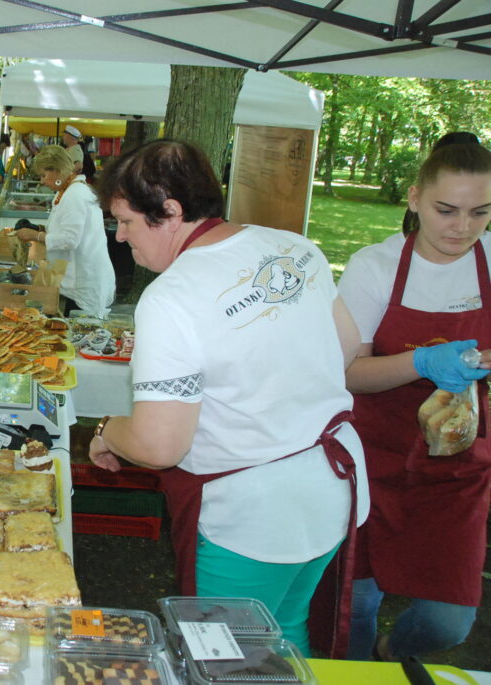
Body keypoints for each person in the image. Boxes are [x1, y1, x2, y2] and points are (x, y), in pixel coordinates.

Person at [87, 139, 368, 655]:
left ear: (170, 212)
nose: (121, 236)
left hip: (254, 515)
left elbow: (159, 445)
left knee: (225, 655)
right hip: (330, 486)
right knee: (286, 632)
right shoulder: (292, 247)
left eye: (125, 221)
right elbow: (345, 347)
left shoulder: (172, 296)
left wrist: (107, 430)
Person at [339, 141, 491, 661]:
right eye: (446, 210)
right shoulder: (375, 267)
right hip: (373, 458)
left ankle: (391, 654)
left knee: (447, 621)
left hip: (455, 467)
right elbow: (349, 374)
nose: (462, 228)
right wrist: (422, 362)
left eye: (480, 212)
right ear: (414, 198)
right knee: (356, 603)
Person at [14, 145, 114, 317]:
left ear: (57, 170)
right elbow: (64, 229)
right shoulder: (68, 191)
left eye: (43, 175)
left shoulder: (75, 194)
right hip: (76, 280)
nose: (42, 181)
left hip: (83, 282)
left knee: (80, 330)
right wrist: (39, 230)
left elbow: (70, 240)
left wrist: (36, 235)